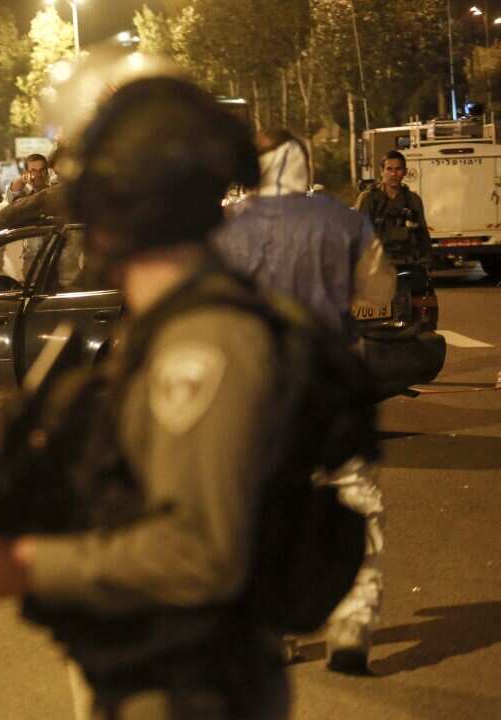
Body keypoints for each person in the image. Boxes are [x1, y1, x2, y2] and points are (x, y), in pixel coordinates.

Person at [0, 64, 292, 719]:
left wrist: (26, 565)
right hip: (146, 672)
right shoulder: (161, 323)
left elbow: (200, 552)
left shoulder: (204, 343)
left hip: (190, 690)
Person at [212, 129, 390, 673]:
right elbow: (380, 292)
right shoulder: (343, 220)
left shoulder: (225, 232)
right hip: (335, 389)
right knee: (357, 503)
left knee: (266, 510)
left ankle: (276, 631)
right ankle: (351, 626)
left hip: (259, 394)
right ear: (303, 162)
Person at [354, 150, 432, 265]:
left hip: (407, 262)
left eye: (398, 169)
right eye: (389, 169)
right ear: (382, 171)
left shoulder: (412, 199)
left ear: (405, 172)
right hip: (378, 263)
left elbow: (423, 234)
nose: (393, 174)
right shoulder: (369, 198)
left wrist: (426, 260)